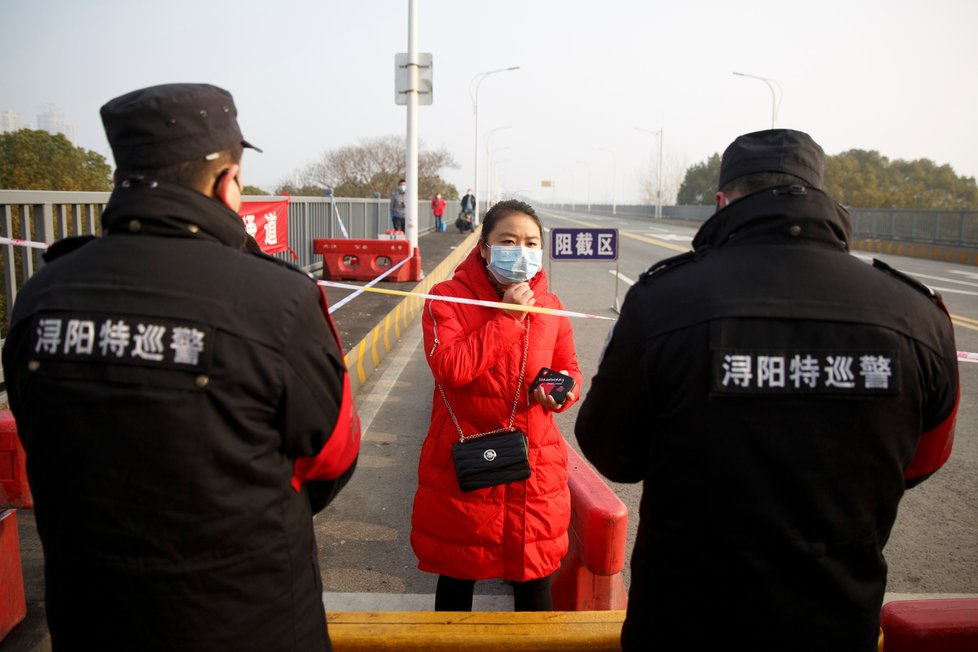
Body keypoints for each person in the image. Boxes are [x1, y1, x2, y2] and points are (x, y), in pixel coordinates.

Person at [1, 83, 361, 652]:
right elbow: (331, 456)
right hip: (249, 620)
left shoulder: (42, 293)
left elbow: (37, 430)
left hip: (92, 620)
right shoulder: (278, 301)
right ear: (226, 182)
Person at [575, 129, 959, 652]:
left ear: (721, 201)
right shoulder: (917, 314)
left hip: (683, 626)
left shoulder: (662, 301)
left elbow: (611, 451)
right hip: (838, 627)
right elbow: (921, 461)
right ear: (823, 197)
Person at [411, 199, 583, 612]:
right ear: (485, 248)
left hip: (534, 468)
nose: (521, 251)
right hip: (466, 461)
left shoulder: (552, 306)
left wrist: (560, 392)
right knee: (458, 571)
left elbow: (569, 369)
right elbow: (450, 368)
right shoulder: (447, 299)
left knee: (534, 572)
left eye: (531, 243)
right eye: (508, 241)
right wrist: (509, 318)